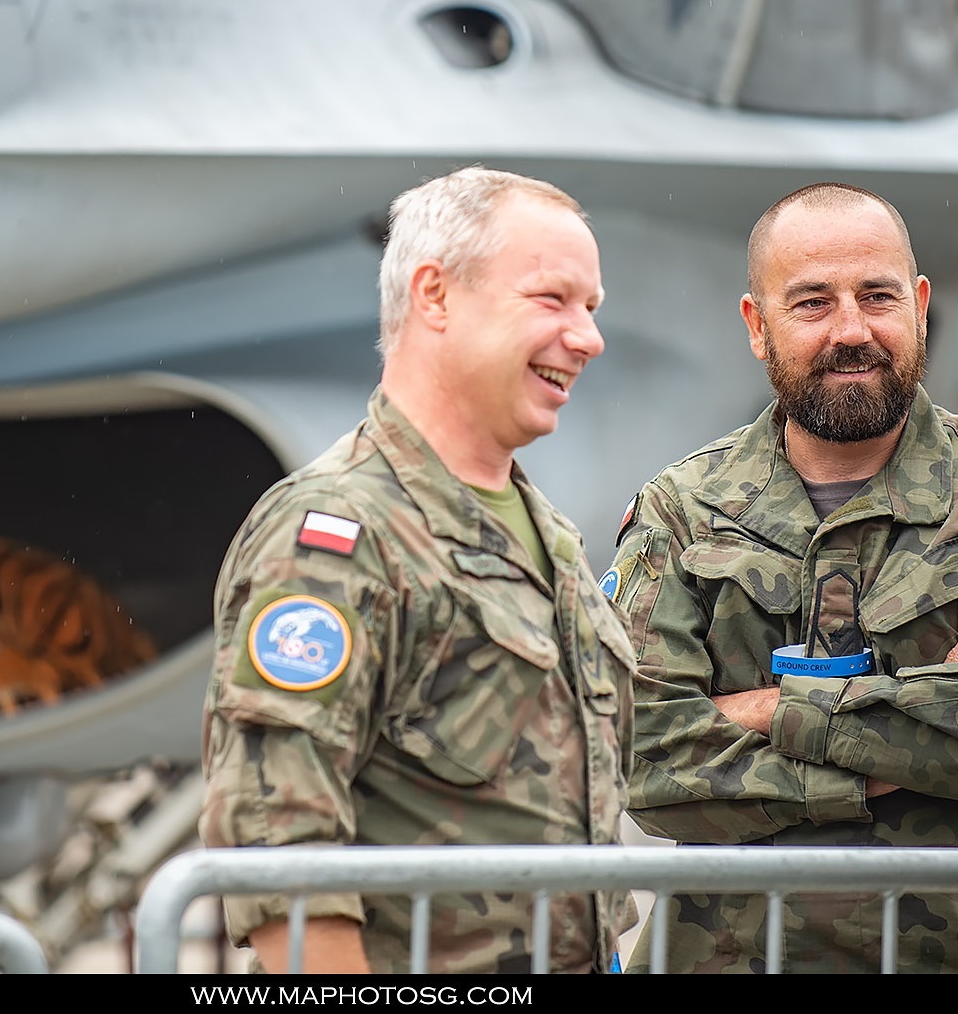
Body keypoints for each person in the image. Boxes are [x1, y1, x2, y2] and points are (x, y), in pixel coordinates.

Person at [607, 181, 958, 973]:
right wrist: (898, 747)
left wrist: (766, 709)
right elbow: (642, 753)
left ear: (921, 304)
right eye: (811, 303)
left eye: (878, 295)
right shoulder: (683, 509)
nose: (853, 329)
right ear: (755, 327)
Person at [198, 166, 636, 974]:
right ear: (434, 295)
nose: (588, 338)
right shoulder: (334, 536)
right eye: (552, 299)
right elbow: (280, 847)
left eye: (592, 309)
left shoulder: (553, 542)